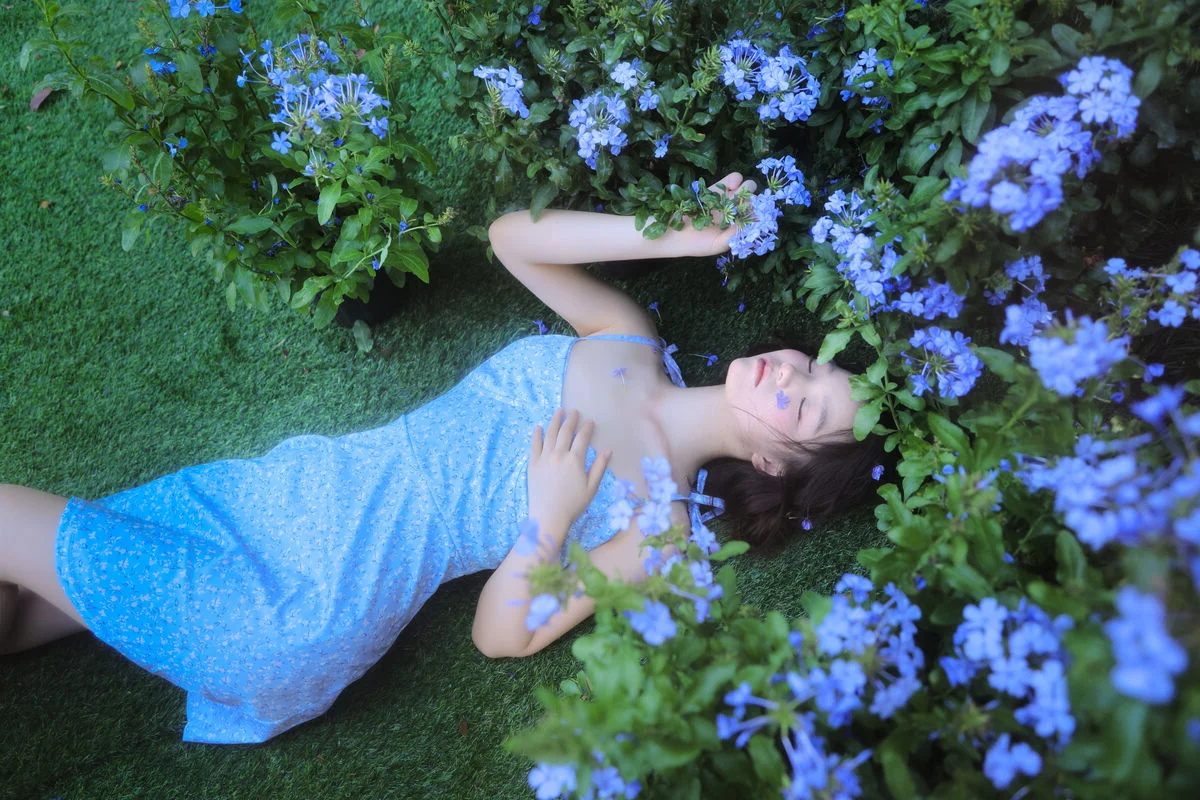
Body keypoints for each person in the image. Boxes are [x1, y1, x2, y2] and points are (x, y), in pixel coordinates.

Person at [0, 172, 878, 744]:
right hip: (275, 496)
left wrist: (548, 523)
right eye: (813, 364)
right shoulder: (626, 339)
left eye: (805, 407)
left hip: (306, 606)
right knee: (20, 609)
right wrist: (679, 232)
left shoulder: (660, 532)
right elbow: (513, 237)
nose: (790, 373)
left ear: (777, 467)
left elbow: (501, 638)